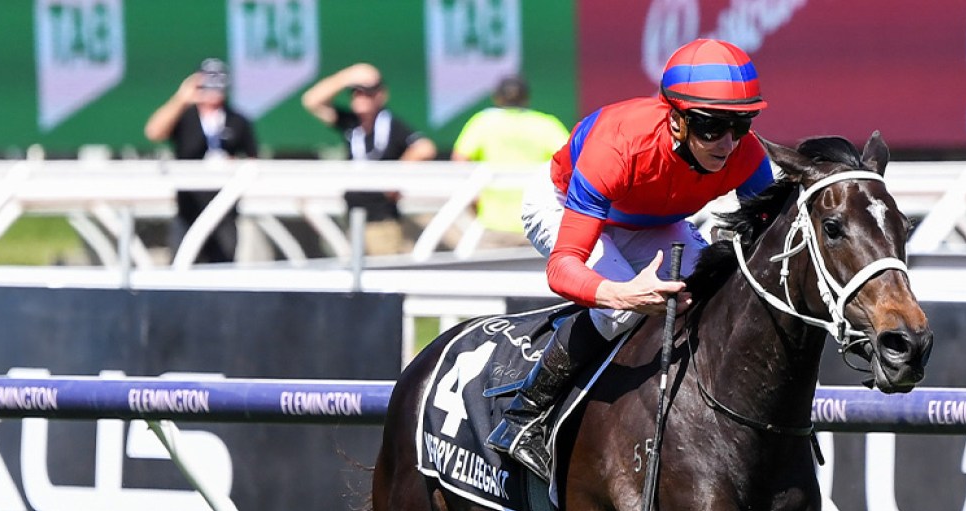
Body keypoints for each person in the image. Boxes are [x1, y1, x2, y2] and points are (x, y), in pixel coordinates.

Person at [488, 38, 774, 479]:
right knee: (619, 314)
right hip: (565, 205)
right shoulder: (618, 146)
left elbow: (768, 240)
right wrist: (619, 293)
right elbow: (564, 266)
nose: (728, 144)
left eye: (740, 124)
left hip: (653, 220)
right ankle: (526, 416)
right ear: (676, 120)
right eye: (711, 127)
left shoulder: (747, 155)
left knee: (715, 296)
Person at [301, 63, 437, 256]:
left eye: (367, 92)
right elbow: (311, 101)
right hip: (354, 215)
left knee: (383, 277)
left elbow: (425, 148)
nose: (361, 97)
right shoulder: (352, 124)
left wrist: (396, 177)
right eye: (356, 92)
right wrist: (346, 77)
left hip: (381, 220)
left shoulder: (390, 124)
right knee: (354, 278)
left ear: (381, 95)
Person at [143, 58, 258, 264]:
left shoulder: (237, 120)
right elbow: (154, 131)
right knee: (182, 266)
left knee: (223, 270)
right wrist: (181, 98)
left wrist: (235, 166)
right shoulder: (185, 117)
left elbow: (253, 160)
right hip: (188, 208)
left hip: (224, 209)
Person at [451, 74, 571, 246]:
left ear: (497, 97)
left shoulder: (483, 122)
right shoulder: (545, 124)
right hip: (539, 222)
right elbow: (570, 161)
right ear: (527, 98)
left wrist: (473, 196)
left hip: (493, 223)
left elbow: (460, 159)